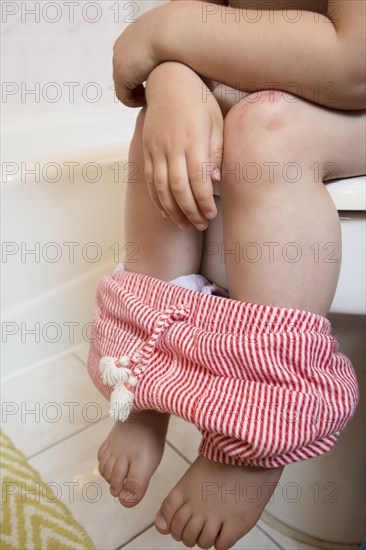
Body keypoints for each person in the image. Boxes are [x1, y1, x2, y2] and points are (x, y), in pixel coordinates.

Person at [90, 1, 365, 549]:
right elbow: (207, 28)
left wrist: (160, 31)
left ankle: (257, 434)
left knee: (267, 134)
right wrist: (171, 82)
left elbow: (353, 65)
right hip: (291, 96)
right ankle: (147, 382)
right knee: (166, 131)